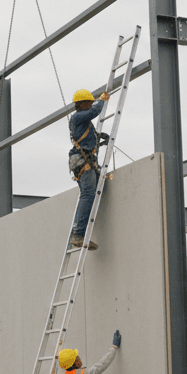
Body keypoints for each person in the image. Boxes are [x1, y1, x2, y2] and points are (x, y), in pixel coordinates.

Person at [67, 87, 111, 251]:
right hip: (82, 161)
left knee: (94, 190)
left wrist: (99, 137)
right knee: (88, 195)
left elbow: (86, 137)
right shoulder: (78, 116)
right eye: (89, 103)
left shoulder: (84, 122)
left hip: (86, 160)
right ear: (82, 104)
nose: (91, 105)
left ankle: (79, 232)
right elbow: (95, 111)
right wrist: (102, 100)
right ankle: (78, 234)